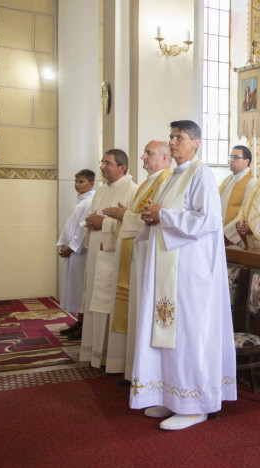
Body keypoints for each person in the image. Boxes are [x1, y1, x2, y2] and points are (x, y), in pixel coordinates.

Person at [131, 120, 236, 431]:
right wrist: (151, 217)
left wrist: (162, 214)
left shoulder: (201, 173)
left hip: (191, 273)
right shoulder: (173, 176)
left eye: (179, 137)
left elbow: (209, 221)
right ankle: (173, 396)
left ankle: (195, 404)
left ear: (196, 142)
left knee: (189, 334)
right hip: (170, 269)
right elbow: (168, 214)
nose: (173, 142)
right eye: (171, 136)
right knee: (170, 333)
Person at [101, 141, 171, 383]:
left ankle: (140, 372)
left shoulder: (165, 182)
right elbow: (139, 216)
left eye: (148, 153)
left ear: (164, 158)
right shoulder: (148, 183)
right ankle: (130, 367)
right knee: (133, 310)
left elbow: (153, 219)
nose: (142, 157)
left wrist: (126, 215)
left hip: (147, 257)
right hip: (135, 255)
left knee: (142, 312)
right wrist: (126, 214)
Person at [80, 149, 138, 367]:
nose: (102, 167)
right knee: (94, 301)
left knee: (110, 303)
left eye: (108, 163)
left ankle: (112, 357)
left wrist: (102, 223)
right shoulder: (101, 190)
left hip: (114, 258)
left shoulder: (132, 190)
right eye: (102, 162)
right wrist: (91, 222)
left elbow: (132, 224)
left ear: (122, 167)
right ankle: (95, 352)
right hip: (97, 254)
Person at [57, 169, 96, 338]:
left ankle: (84, 326)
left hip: (82, 253)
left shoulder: (90, 201)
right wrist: (63, 244)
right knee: (75, 288)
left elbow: (83, 228)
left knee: (82, 289)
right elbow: (70, 225)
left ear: (91, 184)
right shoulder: (81, 201)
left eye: (81, 182)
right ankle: (79, 322)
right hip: (74, 252)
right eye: (76, 181)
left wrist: (72, 247)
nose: (77, 185)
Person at [219, 145, 256, 238]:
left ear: (246, 161)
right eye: (231, 157)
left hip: (232, 236)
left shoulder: (251, 182)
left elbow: (247, 213)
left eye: (236, 157)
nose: (231, 160)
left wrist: (226, 232)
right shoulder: (227, 179)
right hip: (219, 231)